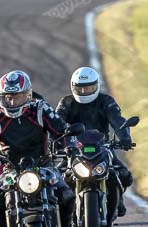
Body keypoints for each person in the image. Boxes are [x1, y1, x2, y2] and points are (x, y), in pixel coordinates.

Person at [0, 70, 78, 227]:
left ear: (28, 95)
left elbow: (61, 131)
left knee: (67, 195)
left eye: (17, 97)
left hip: (43, 165)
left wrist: (69, 146)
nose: (12, 102)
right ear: (1, 97)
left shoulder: (40, 110)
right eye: (8, 97)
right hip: (11, 170)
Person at [56, 66, 134, 216]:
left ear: (96, 86)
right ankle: (61, 211)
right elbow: (56, 123)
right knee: (56, 178)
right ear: (73, 87)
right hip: (74, 147)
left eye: (89, 87)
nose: (84, 92)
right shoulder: (66, 102)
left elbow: (117, 120)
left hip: (102, 146)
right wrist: (59, 141)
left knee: (124, 175)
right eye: (81, 88)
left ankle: (117, 199)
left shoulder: (106, 101)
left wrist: (125, 137)